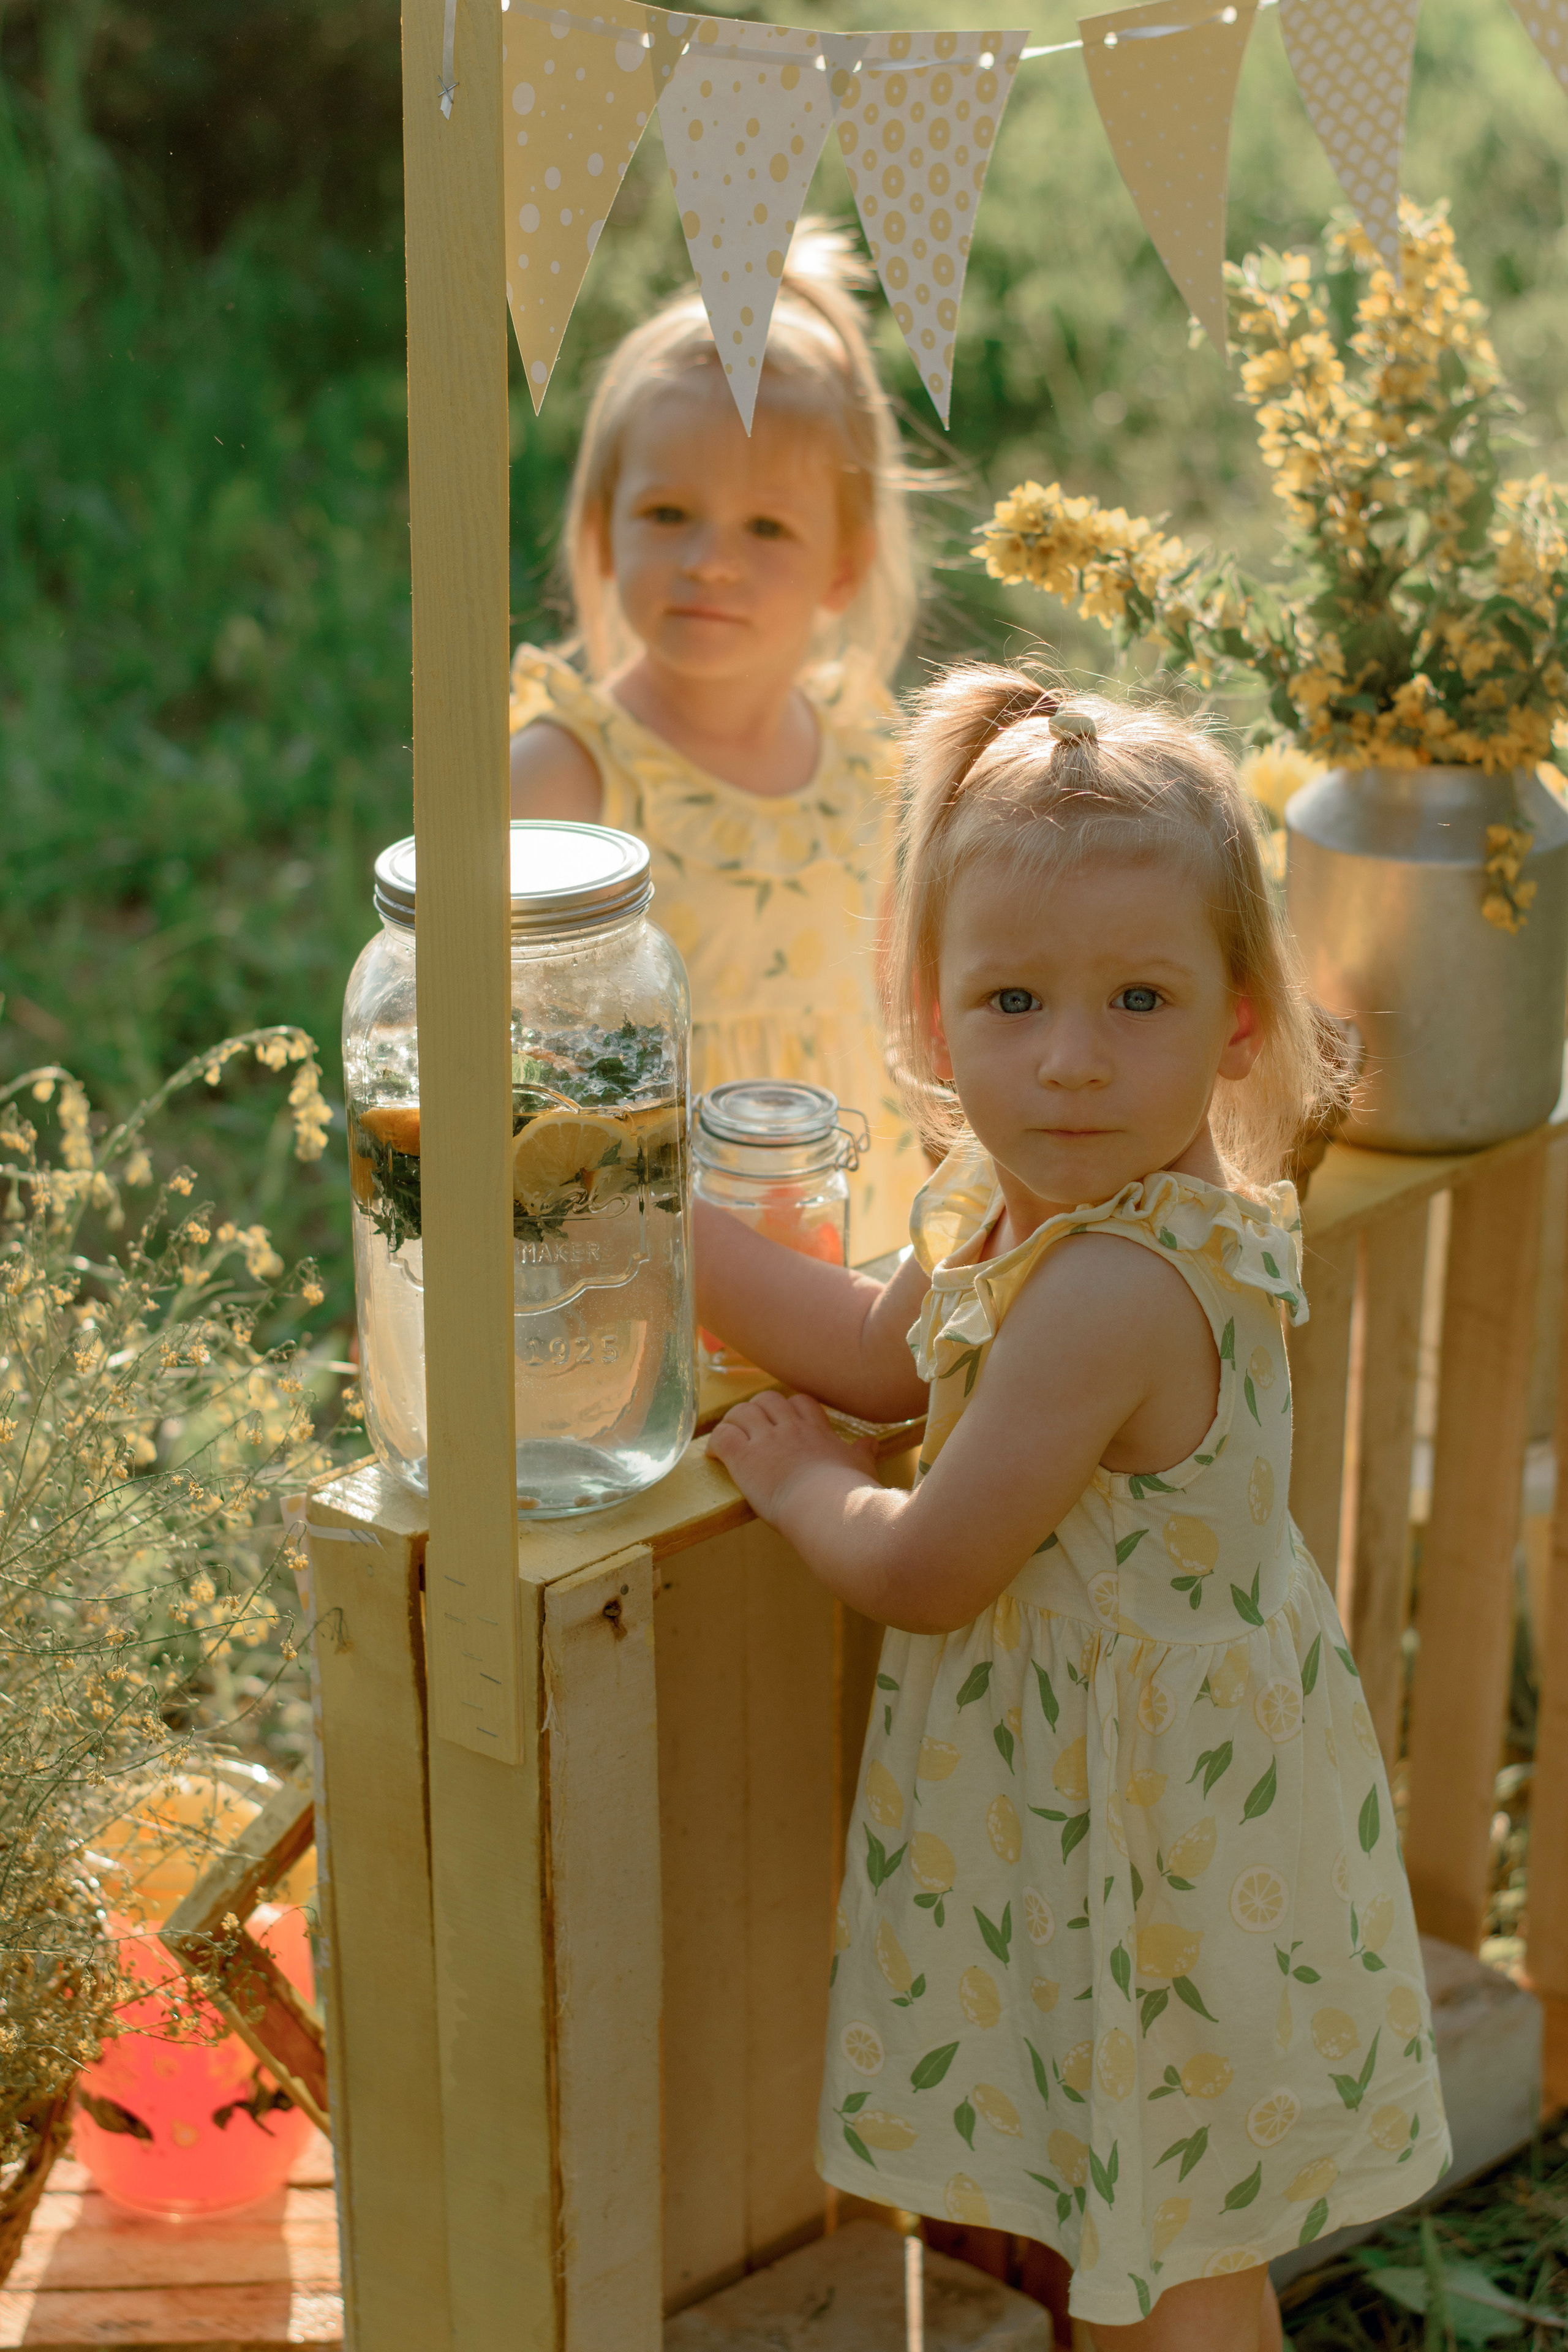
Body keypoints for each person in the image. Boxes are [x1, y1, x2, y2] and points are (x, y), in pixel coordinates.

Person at [696, 673, 1449, 2348]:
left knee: (1173, 2256)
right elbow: (886, 1355)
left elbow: (931, 1567)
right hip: (1099, 1807)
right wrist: (677, 1239)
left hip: (1159, 1839)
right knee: (1135, 2226)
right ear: (934, 1014)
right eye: (1014, 999)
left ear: (1238, 1020)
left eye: (1138, 1000)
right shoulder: (1027, 1197)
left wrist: (807, 1481)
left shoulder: (1114, 1284)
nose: (1070, 1060)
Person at [510, 222, 924, 1261]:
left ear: (844, 566)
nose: (709, 562)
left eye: (766, 528)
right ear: (603, 532)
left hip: (855, 1228)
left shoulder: (868, 759)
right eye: (668, 513)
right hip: (647, 1256)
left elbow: (905, 999)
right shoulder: (567, 775)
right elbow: (496, 1056)